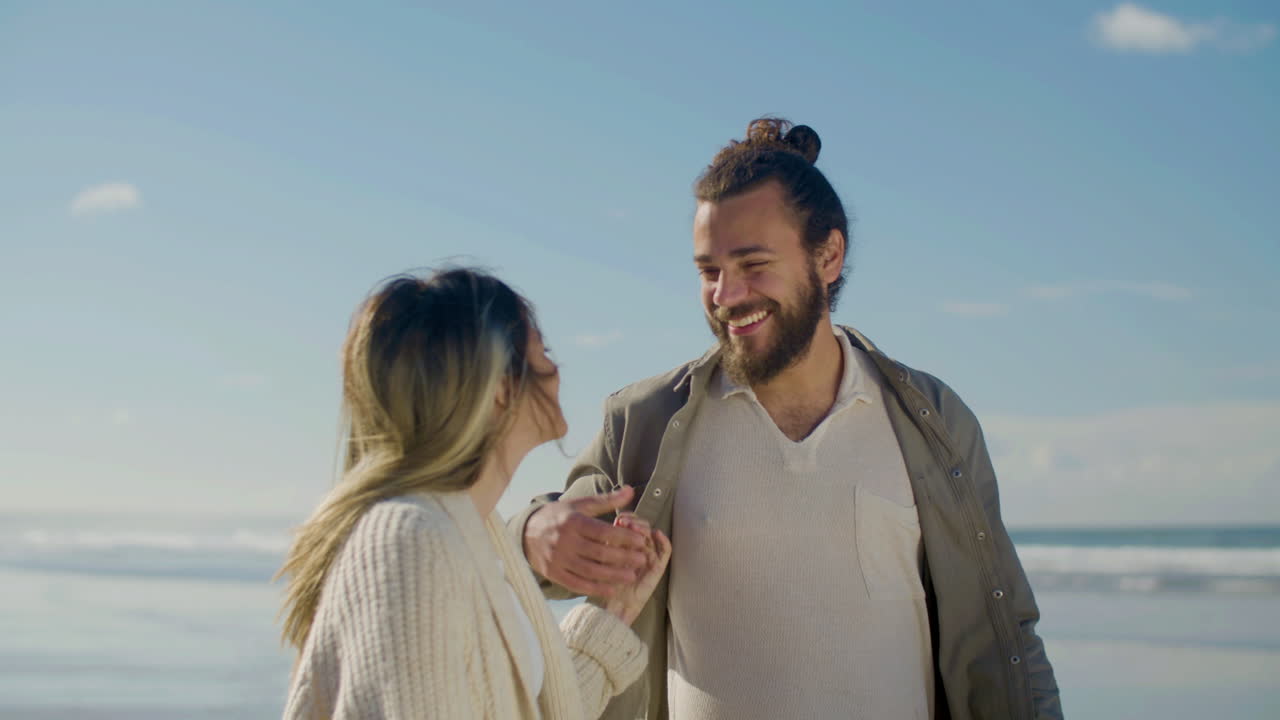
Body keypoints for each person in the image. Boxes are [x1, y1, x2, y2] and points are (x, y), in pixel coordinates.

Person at [511, 119, 1063, 720]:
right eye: (709, 271)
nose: (726, 295)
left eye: (752, 265)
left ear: (828, 256)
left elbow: (1005, 629)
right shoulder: (649, 420)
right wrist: (533, 534)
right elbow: (545, 546)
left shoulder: (934, 422)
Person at [277, 268, 672, 719]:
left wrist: (617, 611)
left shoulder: (472, 532)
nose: (557, 369)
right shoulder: (410, 540)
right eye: (543, 351)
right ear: (502, 387)